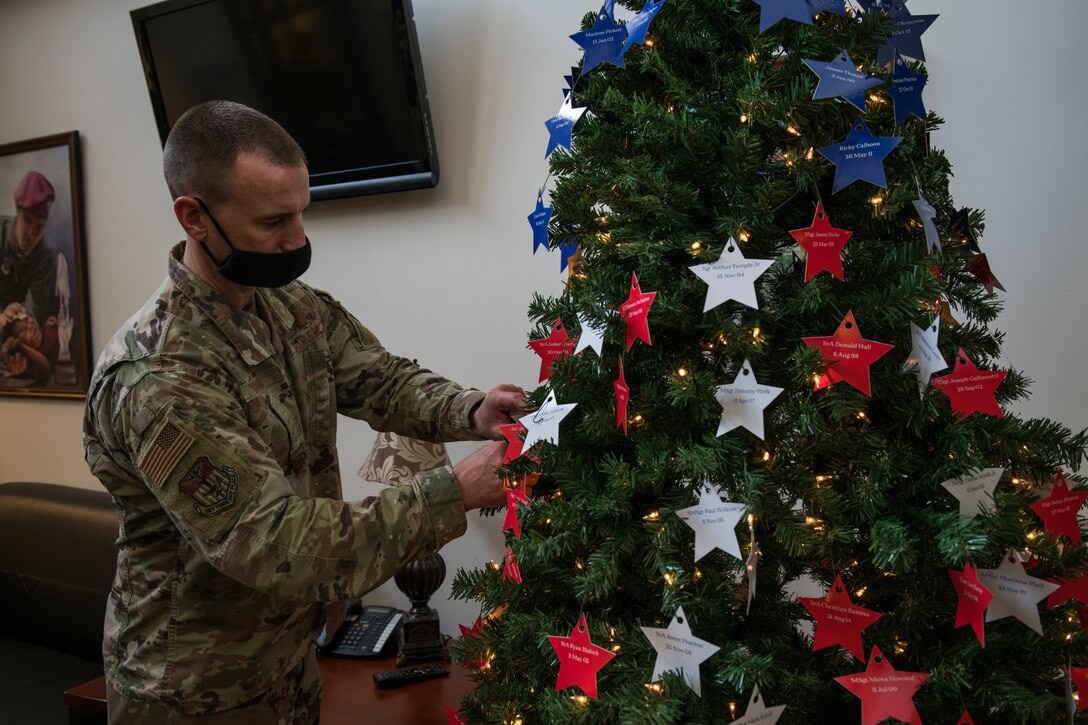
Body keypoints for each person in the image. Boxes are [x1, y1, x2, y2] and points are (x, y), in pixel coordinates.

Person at [83, 100, 524, 723]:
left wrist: (471, 409)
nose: (298, 239)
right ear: (195, 217)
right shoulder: (160, 376)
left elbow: (380, 378)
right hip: (193, 692)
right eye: (273, 221)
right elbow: (272, 541)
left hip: (290, 667)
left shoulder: (289, 307)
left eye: (301, 212)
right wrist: (454, 492)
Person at [0, 170, 58, 324]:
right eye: (27, 220)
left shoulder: (44, 258)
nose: (31, 234)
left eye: (39, 226)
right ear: (18, 212)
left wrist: (10, 319)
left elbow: (33, 313)